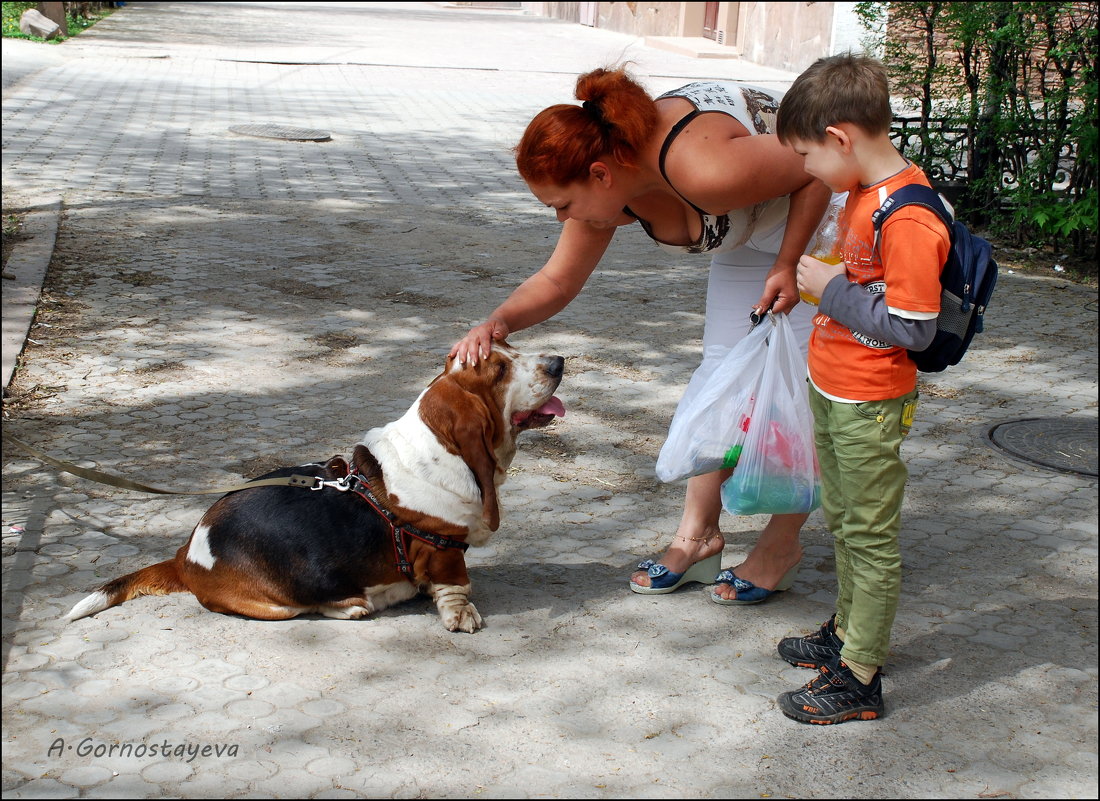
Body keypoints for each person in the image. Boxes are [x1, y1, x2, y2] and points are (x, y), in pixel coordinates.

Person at [450, 67, 835, 603]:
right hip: (752, 227)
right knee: (722, 379)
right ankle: (699, 535)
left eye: (563, 204)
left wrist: (790, 263)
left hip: (823, 215)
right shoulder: (611, 186)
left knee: (795, 389)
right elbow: (558, 280)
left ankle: (782, 543)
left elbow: (816, 169)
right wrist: (498, 322)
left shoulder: (704, 170)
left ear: (602, 174)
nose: (562, 217)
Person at [773, 52, 949, 723]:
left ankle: (861, 676)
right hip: (836, 385)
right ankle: (847, 633)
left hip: (871, 399)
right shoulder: (863, 196)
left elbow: (913, 328)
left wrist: (830, 290)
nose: (808, 173)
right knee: (844, 519)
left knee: (870, 535)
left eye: (807, 157)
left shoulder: (908, 215)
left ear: (841, 139)